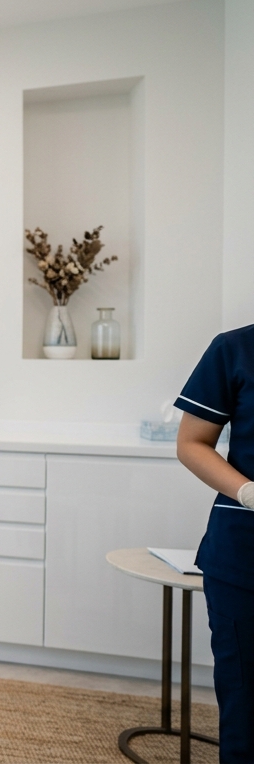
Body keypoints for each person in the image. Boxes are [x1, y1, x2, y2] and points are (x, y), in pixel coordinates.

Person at [174, 325, 254, 762]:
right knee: (246, 710)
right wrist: (247, 491)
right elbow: (191, 443)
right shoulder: (236, 349)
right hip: (244, 559)